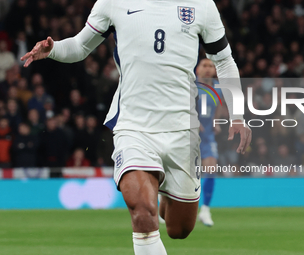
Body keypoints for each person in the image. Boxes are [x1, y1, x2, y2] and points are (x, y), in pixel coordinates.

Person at [21, 1, 251, 254]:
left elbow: (224, 61)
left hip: (182, 130)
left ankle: (165, 192)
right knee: (142, 213)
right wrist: (53, 49)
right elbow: (80, 45)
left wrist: (237, 115)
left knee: (180, 229)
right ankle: (153, 193)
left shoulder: (202, 5)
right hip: (133, 126)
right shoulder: (112, 3)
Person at [196, 58, 223, 226]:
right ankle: (164, 202)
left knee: (211, 168)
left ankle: (205, 209)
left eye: (211, 66)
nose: (208, 69)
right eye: (204, 65)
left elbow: (219, 105)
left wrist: (216, 121)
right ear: (197, 69)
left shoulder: (217, 88)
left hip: (207, 137)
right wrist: (193, 120)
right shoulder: (191, 86)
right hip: (188, 136)